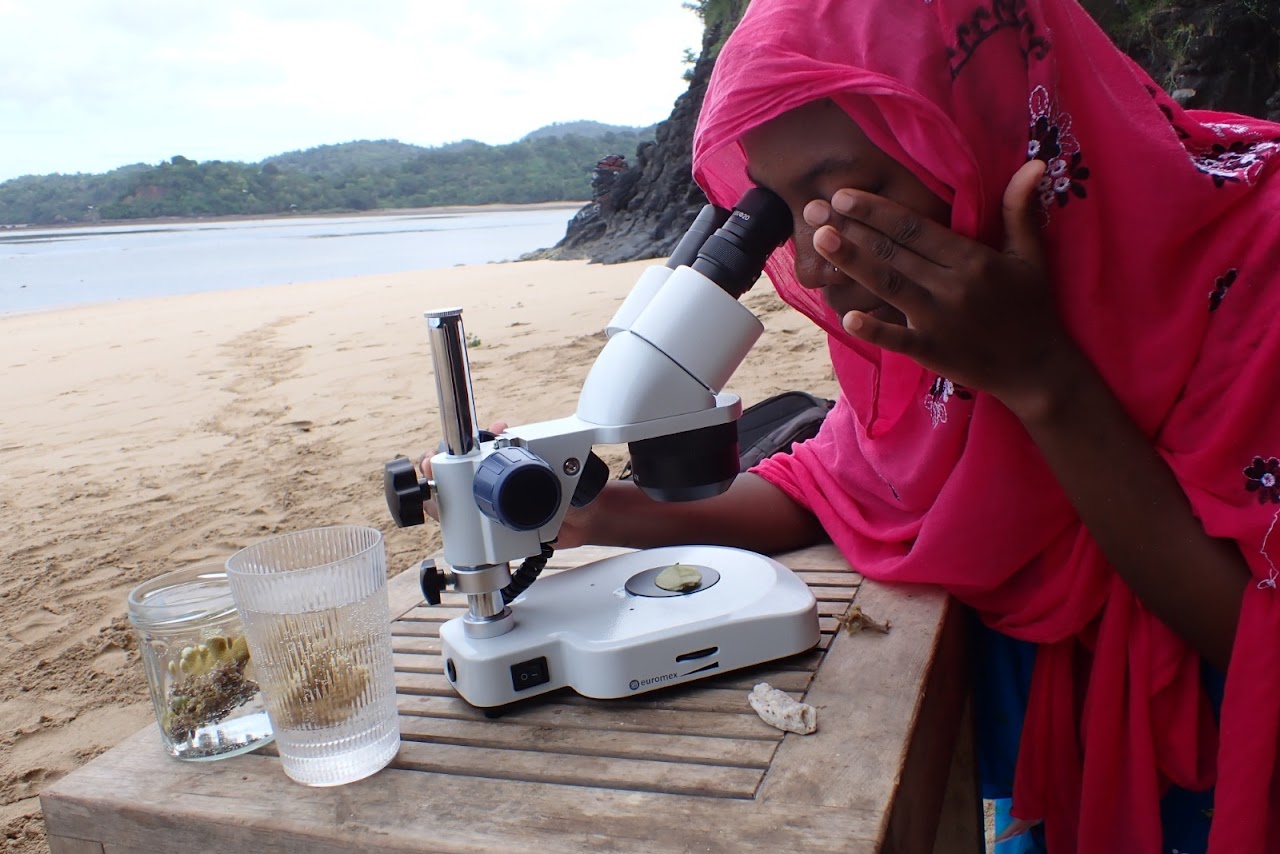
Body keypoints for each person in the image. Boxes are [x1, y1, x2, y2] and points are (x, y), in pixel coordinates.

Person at [426, 0, 1280, 849]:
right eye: (779, 208)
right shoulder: (940, 298)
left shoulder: (1253, 267)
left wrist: (1043, 379)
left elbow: (1255, 637)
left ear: (992, 133)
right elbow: (848, 481)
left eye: (848, 194)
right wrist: (608, 514)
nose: (806, 260)